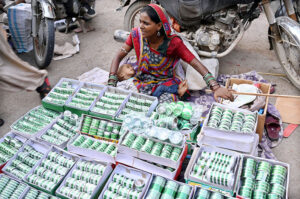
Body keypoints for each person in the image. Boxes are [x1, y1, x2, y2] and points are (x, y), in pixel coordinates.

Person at [109, 4, 233, 103]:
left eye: (146, 23)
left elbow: (194, 63)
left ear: (158, 26)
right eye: (140, 22)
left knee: (165, 107)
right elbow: (118, 56)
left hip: (165, 82)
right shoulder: (136, 35)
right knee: (122, 97)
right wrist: (111, 82)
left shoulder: (173, 43)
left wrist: (215, 87)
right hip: (142, 80)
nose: (141, 26)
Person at [117, 63, 189, 98]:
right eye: (128, 67)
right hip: (147, 97)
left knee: (162, 83)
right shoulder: (123, 83)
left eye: (131, 66)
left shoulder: (136, 77)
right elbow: (120, 92)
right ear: (121, 74)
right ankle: (179, 92)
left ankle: (179, 88)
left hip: (149, 91)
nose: (131, 67)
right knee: (161, 88)